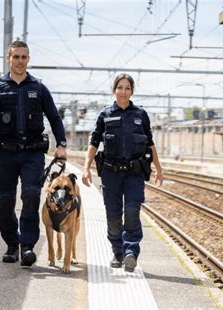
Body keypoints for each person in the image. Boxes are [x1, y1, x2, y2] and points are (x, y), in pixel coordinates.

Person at [0, 40, 67, 267]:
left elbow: (54, 117)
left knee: (31, 195)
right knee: (5, 201)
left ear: (28, 59)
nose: (20, 61)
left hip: (33, 153)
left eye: (24, 57)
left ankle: (27, 246)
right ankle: (11, 244)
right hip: (5, 153)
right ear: (9, 58)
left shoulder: (39, 88)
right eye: (16, 57)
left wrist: (61, 144)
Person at [81, 73, 163, 272]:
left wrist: (159, 170)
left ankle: (130, 252)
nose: (123, 92)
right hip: (111, 173)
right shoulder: (105, 115)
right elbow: (94, 142)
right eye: (120, 87)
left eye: (127, 88)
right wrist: (86, 167)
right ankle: (117, 251)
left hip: (134, 173)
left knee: (132, 210)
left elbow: (150, 144)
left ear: (132, 91)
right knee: (113, 216)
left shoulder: (140, 115)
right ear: (114, 90)